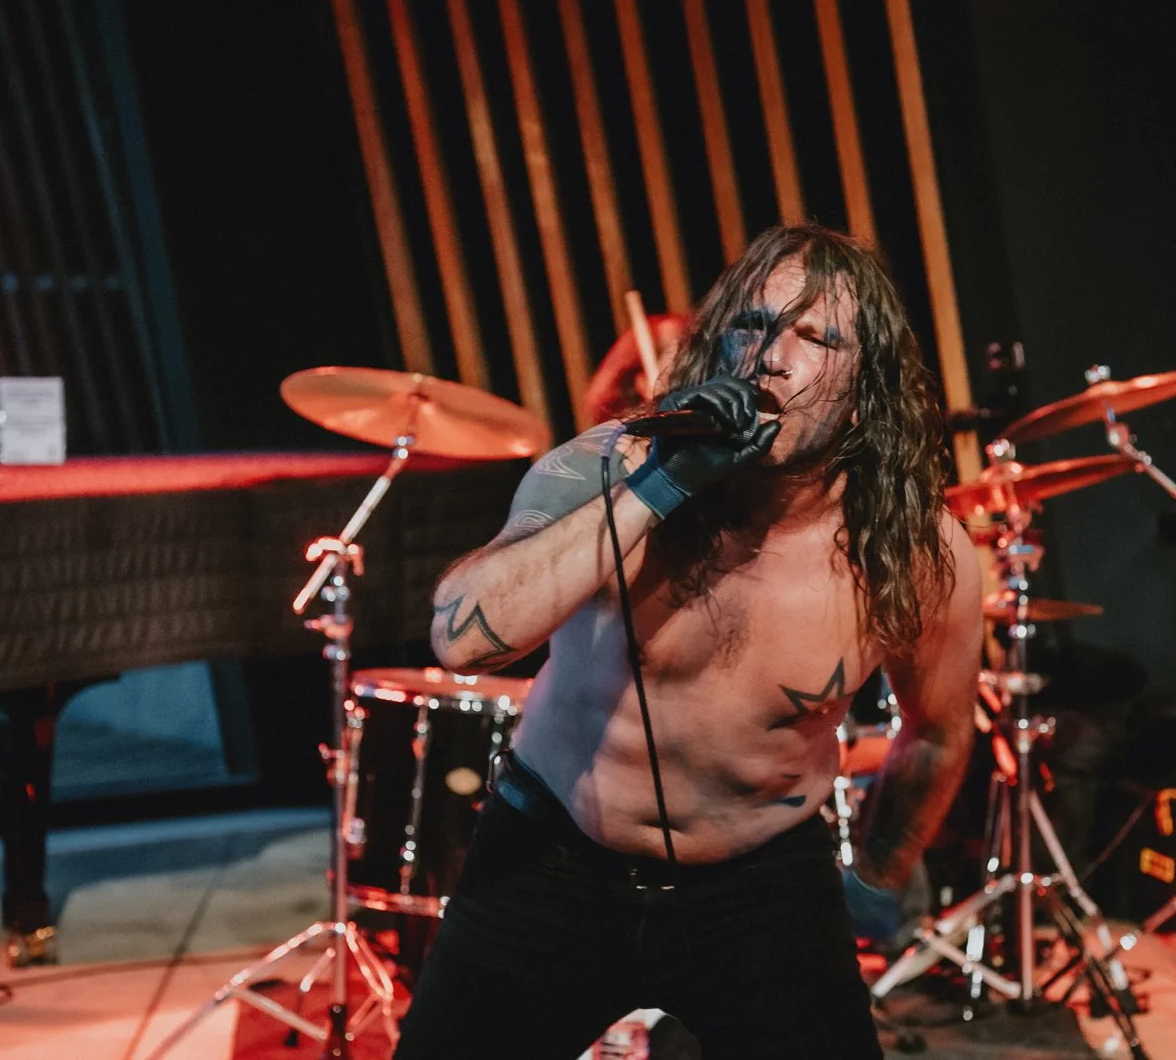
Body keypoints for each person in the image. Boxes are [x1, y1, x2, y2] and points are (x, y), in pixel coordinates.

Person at [396, 224, 983, 1059]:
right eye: (752, 325)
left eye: (815, 336)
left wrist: (876, 877)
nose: (771, 356)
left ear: (865, 390)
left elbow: (939, 731)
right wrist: (660, 485)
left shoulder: (914, 552)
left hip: (760, 887)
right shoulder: (611, 466)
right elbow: (463, 636)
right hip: (552, 859)